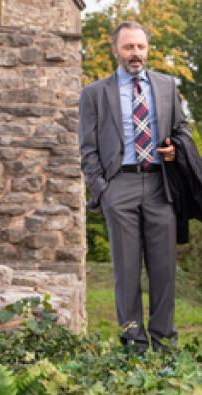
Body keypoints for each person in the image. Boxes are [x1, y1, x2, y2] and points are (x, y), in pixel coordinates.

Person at [78, 21, 189, 352]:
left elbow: (183, 128)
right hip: (119, 185)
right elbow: (87, 148)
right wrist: (103, 190)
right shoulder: (94, 94)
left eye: (140, 47)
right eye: (128, 47)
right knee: (126, 272)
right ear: (115, 50)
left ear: (147, 49)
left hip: (159, 184)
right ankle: (133, 347)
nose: (135, 53)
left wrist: (175, 148)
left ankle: (164, 346)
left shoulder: (168, 86)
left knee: (164, 271)